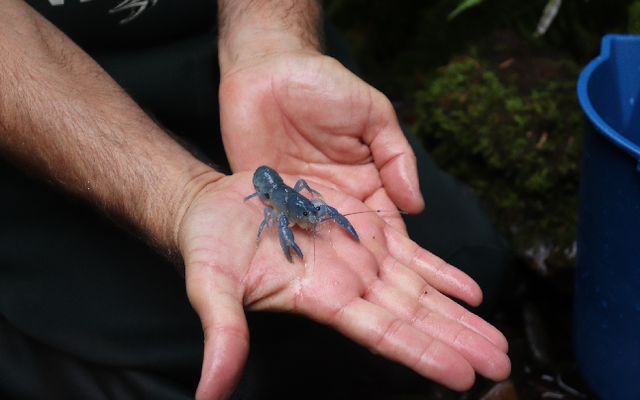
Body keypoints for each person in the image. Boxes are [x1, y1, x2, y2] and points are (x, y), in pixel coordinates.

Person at [0, 0, 512, 399]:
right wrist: (181, 196)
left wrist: (272, 43)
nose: (310, 216)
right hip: (38, 135)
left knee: (477, 266)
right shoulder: (272, 205)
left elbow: (313, 207)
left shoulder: (304, 202)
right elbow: (275, 220)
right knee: (193, 373)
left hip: (240, 77)